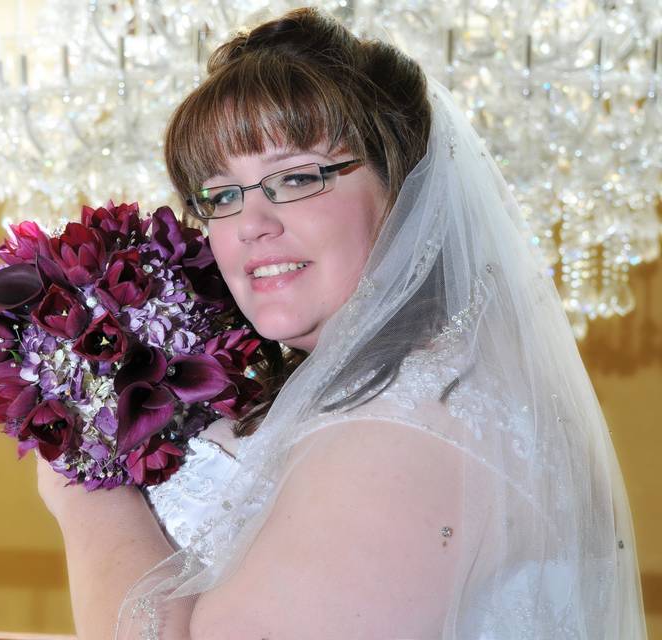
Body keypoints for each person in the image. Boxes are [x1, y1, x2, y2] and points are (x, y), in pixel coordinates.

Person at [34, 7, 649, 639]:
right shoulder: (390, 383)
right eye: (221, 194)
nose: (250, 224)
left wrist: (86, 486)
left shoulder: (418, 414)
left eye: (296, 177)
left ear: (405, 190)